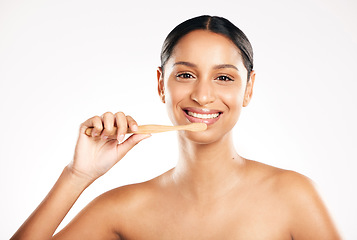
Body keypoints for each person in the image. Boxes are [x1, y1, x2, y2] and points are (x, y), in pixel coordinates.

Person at [11, 15, 340, 240]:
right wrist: (77, 176)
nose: (202, 95)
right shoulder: (123, 209)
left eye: (224, 77)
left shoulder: (294, 196)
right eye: (185, 74)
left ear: (249, 89)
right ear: (161, 84)